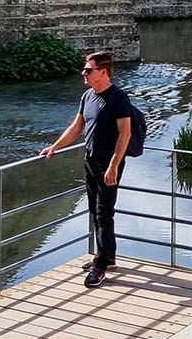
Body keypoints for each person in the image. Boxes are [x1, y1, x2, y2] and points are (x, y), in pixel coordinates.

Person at [40, 50, 133, 287]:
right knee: (96, 211)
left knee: (104, 213)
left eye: (88, 70)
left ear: (103, 72)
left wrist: (113, 165)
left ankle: (100, 266)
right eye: (84, 69)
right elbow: (76, 127)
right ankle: (108, 257)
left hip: (109, 164)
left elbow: (125, 134)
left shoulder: (118, 98)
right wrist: (54, 147)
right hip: (90, 161)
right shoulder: (87, 96)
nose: (84, 73)